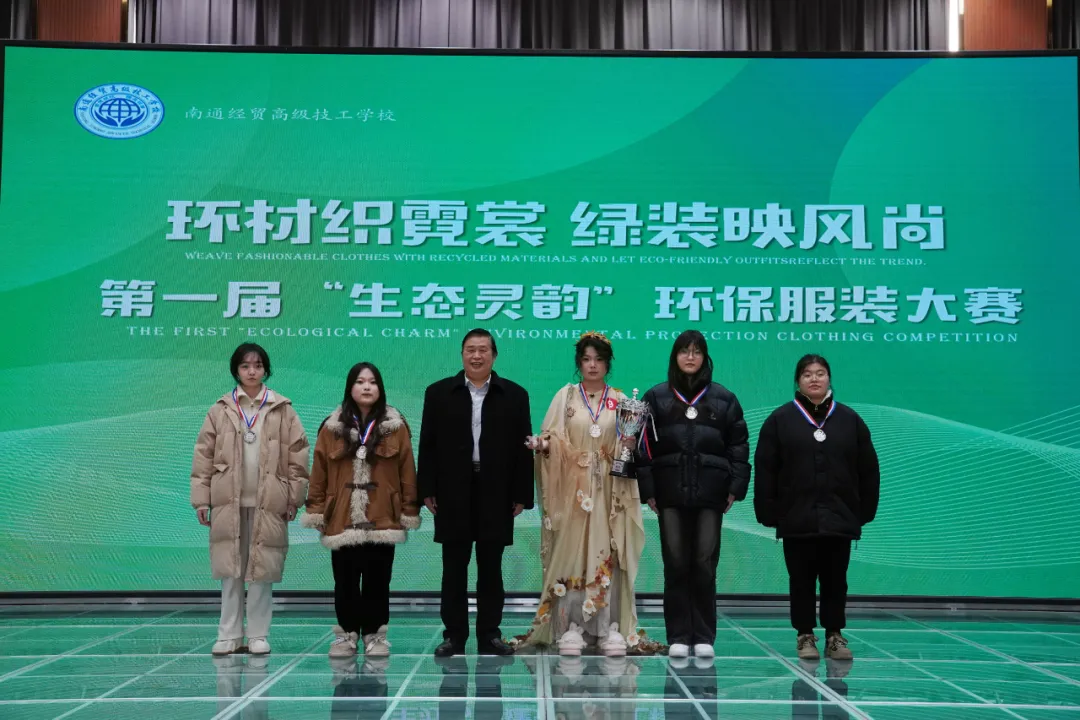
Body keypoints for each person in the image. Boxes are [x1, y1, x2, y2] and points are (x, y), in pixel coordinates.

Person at [516, 332, 656, 656]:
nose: (592, 365)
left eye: (599, 359)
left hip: (608, 489)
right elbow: (553, 436)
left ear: (608, 363)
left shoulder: (620, 399)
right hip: (572, 491)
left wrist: (628, 445)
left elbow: (627, 445)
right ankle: (571, 627)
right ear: (579, 363)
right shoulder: (565, 397)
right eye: (586, 359)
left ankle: (610, 627)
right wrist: (544, 445)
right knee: (573, 552)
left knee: (608, 550)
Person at [753, 354, 880, 662]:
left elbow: (868, 469)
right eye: (807, 374)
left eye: (820, 373)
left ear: (829, 378)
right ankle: (805, 635)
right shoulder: (780, 420)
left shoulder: (849, 420)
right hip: (796, 517)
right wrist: (768, 512)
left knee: (836, 579)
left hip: (839, 516)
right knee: (801, 579)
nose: (814, 379)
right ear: (798, 381)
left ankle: (835, 635)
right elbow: (766, 468)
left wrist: (863, 511)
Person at [417, 328, 534, 657]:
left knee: (491, 567)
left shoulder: (515, 395)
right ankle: (454, 636)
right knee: (453, 566)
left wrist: (522, 494)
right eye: (470, 349)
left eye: (483, 350)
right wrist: (426, 488)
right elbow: (427, 444)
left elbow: (524, 447)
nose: (477, 356)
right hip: (452, 489)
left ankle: (489, 635)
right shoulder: (439, 393)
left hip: (497, 489)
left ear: (494, 355)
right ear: (462, 354)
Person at [636, 330, 750, 660]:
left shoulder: (724, 398)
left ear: (705, 357)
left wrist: (734, 488)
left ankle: (702, 635)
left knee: (703, 563)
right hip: (669, 492)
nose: (690, 357)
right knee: (675, 563)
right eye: (684, 351)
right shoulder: (656, 397)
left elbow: (739, 446)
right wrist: (649, 490)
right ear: (675, 357)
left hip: (711, 494)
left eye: (696, 351)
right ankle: (678, 635)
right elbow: (643, 448)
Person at [190, 343, 309, 657]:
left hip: (269, 502)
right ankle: (228, 635)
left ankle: (257, 634)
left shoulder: (282, 409)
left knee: (261, 571)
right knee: (231, 571)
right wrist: (202, 501)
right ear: (236, 371)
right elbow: (203, 456)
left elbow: (298, 456)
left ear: (266, 369)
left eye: (257, 365)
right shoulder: (220, 409)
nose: (252, 371)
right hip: (227, 502)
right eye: (245, 366)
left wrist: (294, 498)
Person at [302, 362, 421, 658]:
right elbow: (319, 471)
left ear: (380, 388)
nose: (366, 387)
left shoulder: (396, 426)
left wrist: (408, 509)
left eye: (372, 382)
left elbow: (407, 470)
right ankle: (346, 635)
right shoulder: (331, 427)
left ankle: (375, 635)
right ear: (350, 388)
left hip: (383, 515)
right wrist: (317, 510)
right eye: (360, 381)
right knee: (344, 580)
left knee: (379, 579)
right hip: (341, 516)